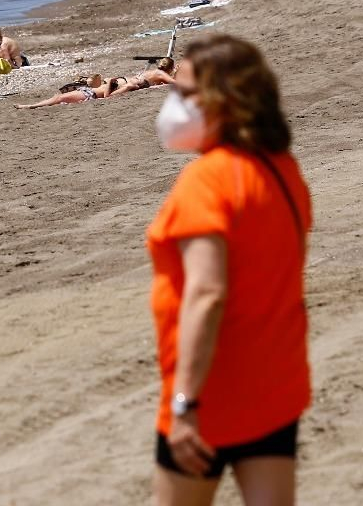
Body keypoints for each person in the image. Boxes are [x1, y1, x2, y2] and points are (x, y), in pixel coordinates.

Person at [146, 35, 312, 504]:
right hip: (276, 385)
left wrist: (184, 406)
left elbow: (207, 293)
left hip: (213, 396)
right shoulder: (282, 169)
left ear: (224, 99)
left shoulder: (206, 181)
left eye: (184, 92)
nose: (174, 103)